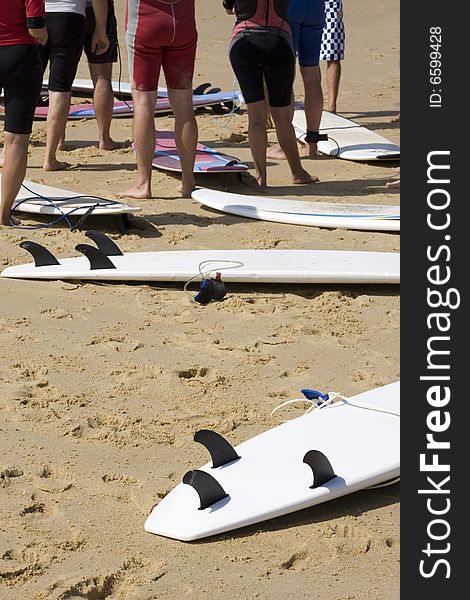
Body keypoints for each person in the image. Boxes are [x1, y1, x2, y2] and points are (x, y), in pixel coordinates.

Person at [224, 0, 318, 187]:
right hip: (279, 41)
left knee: (256, 117)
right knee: (282, 118)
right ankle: (297, 172)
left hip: (244, 41)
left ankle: (261, 177)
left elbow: (229, 8)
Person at [124, 0, 198, 199]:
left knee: (143, 104)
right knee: (184, 105)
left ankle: (144, 183)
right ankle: (188, 181)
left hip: (146, 21)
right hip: (183, 22)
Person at [39, 0, 109, 171]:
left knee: (26, 85)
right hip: (69, 16)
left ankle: (9, 152)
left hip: (37, 14)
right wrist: (100, 29)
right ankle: (49, 157)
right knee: (60, 89)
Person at [0, 0, 48, 226]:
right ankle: (3, 213)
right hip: (19, 54)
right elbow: (35, 25)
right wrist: (44, 36)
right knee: (16, 140)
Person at [60, 0, 120, 151]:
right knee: (102, 77)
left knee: (62, 81)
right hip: (98, 10)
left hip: (66, 10)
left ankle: (59, 139)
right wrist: (101, 27)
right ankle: (104, 138)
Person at [320, 0, 345, 114]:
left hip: (330, 5)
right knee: (307, 59)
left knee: (333, 54)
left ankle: (332, 107)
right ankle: (315, 103)